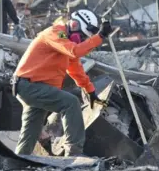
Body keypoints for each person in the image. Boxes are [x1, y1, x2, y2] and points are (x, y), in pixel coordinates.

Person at [13, 9, 113, 156]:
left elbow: (76, 70)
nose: (82, 40)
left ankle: (17, 161)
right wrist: (100, 36)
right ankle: (74, 153)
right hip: (29, 86)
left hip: (35, 88)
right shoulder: (56, 33)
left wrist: (91, 93)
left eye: (85, 38)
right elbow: (75, 51)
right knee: (70, 103)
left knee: (30, 132)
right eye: (82, 36)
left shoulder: (66, 45)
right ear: (74, 24)